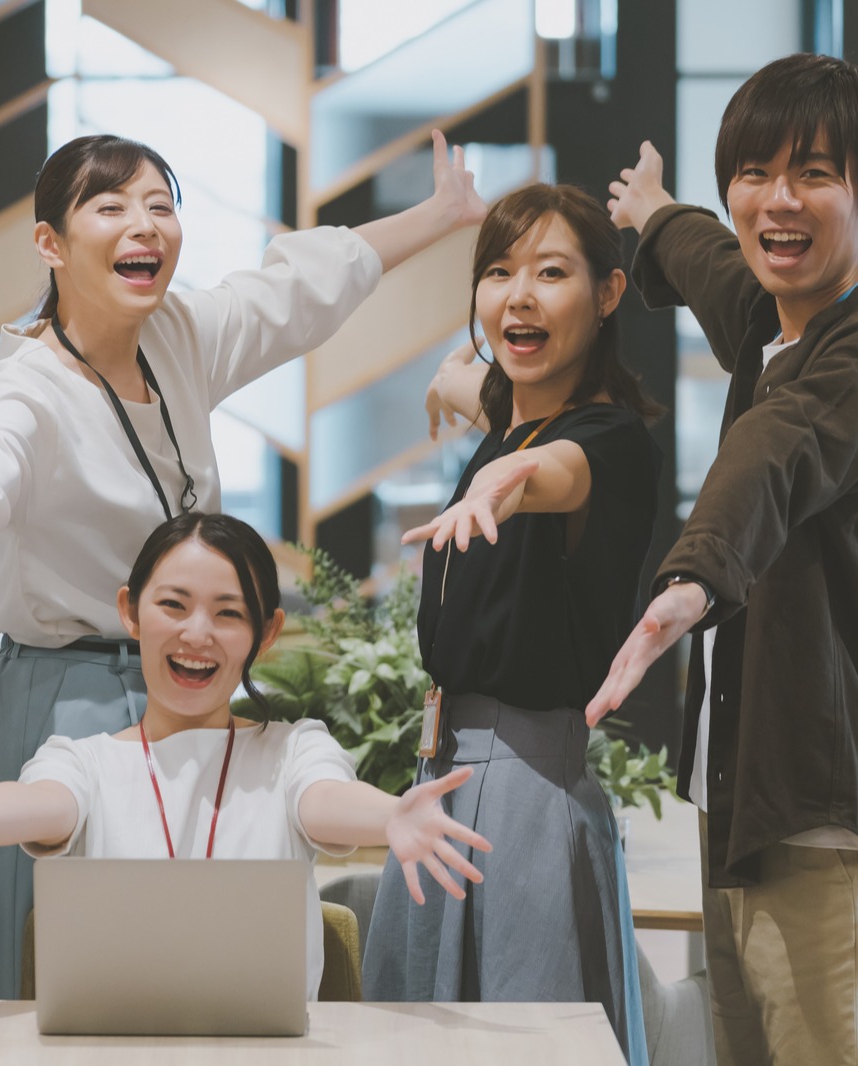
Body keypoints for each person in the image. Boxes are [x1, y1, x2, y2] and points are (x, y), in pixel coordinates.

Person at [0, 128, 488, 998]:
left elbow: (298, 290)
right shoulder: (26, 383)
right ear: (49, 244)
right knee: (36, 972)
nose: (145, 226)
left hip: (178, 686)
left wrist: (438, 214)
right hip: (59, 696)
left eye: (160, 206)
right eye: (111, 206)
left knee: (175, 962)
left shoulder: (178, 332)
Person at [0, 511, 490, 999]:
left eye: (228, 613)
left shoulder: (293, 749)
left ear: (264, 634)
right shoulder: (82, 761)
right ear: (129, 611)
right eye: (172, 605)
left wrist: (389, 816)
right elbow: (38, 803)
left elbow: (323, 800)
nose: (197, 634)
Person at [591, 53, 858, 1066]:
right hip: (743, 811)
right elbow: (714, 260)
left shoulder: (836, 361)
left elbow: (770, 453)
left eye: (813, 173)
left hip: (817, 830)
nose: (775, 201)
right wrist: (657, 211)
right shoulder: (770, 324)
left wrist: (689, 577)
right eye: (751, 171)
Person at [361, 183, 662, 1066]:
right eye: (497, 272)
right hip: (440, 782)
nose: (516, 295)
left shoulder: (605, 442)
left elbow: (557, 470)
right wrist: (451, 384)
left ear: (608, 294)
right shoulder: (508, 422)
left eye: (550, 272)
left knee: (519, 1040)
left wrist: (506, 481)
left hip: (526, 795)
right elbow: (481, 390)